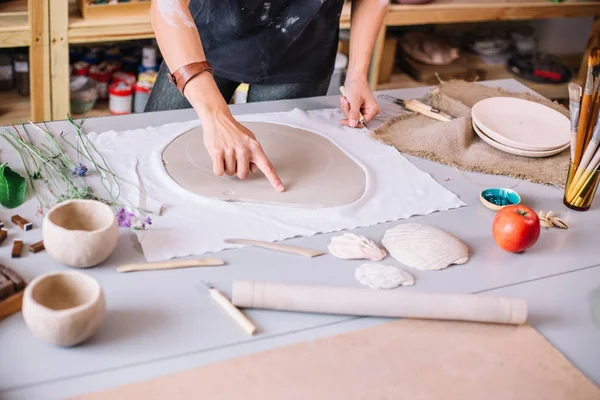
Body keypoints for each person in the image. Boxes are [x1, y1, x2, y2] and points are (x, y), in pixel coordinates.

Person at [146, 0, 386, 191]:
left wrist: (357, 74)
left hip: (302, 47)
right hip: (201, 43)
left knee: (272, 175)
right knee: (150, 150)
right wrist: (217, 118)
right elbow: (168, 6)